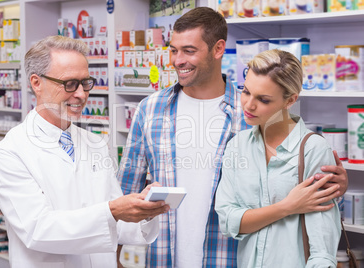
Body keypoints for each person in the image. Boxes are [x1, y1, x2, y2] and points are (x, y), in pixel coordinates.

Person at [118, 7, 347, 268]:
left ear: (218, 49)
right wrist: (113, 256)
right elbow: (125, 189)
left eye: (189, 51)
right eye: (173, 50)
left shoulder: (252, 112)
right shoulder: (150, 109)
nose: (177, 60)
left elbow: (292, 180)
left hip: (230, 258)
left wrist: (336, 185)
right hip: (163, 258)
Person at [0, 35, 169, 268]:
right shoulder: (10, 153)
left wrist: (143, 210)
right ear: (36, 82)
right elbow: (37, 229)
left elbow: (117, 222)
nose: (82, 94)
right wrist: (113, 210)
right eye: (70, 84)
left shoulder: (96, 144)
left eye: (85, 83)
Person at [215, 49, 341, 267]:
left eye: (263, 99)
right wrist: (288, 207)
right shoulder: (238, 146)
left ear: (290, 100)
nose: (248, 105)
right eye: (246, 92)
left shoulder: (313, 149)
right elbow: (228, 221)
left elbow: (322, 251)